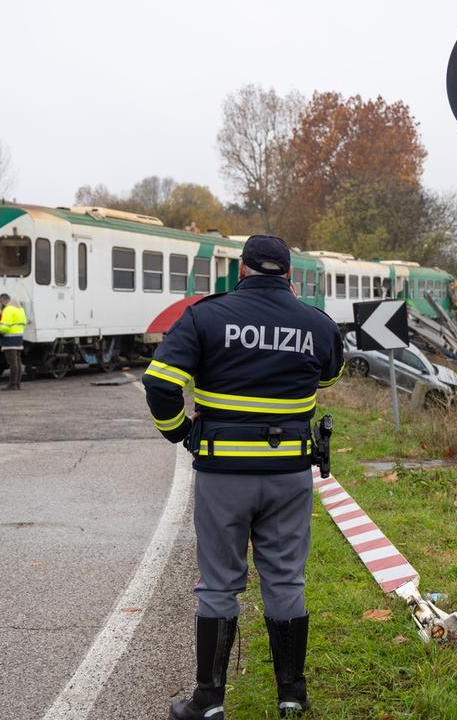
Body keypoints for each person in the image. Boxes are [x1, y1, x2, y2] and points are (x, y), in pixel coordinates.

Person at [143, 235, 344, 720]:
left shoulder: (205, 317)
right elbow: (329, 376)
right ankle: (291, 696)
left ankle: (209, 702)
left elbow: (160, 382)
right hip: (288, 474)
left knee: (218, 586)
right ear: (289, 274)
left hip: (223, 474)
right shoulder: (316, 323)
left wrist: (178, 431)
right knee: (286, 581)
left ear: (242, 269)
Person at [0, 293, 27, 391]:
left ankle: (12, 384)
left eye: (0, 302)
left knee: (12, 363)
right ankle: (17, 384)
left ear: (3, 301)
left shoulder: (8, 309)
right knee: (17, 363)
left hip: (9, 340)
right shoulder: (20, 309)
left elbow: (5, 326)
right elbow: (24, 322)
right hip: (19, 338)